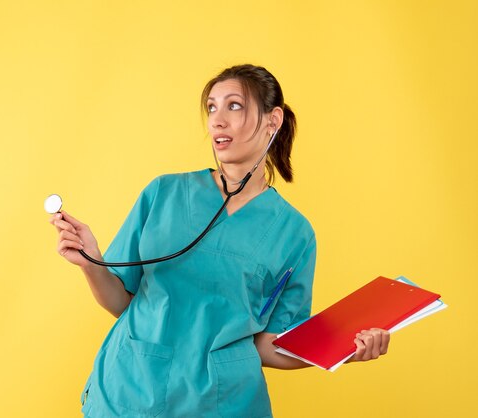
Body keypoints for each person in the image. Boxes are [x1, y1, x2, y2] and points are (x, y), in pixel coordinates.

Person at [49, 64, 390, 417]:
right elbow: (122, 302)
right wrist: (91, 262)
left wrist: (345, 348)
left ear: (273, 121)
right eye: (212, 107)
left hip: (222, 403)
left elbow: (271, 345)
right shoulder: (163, 193)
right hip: (131, 392)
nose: (217, 120)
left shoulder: (294, 233)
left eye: (234, 106)